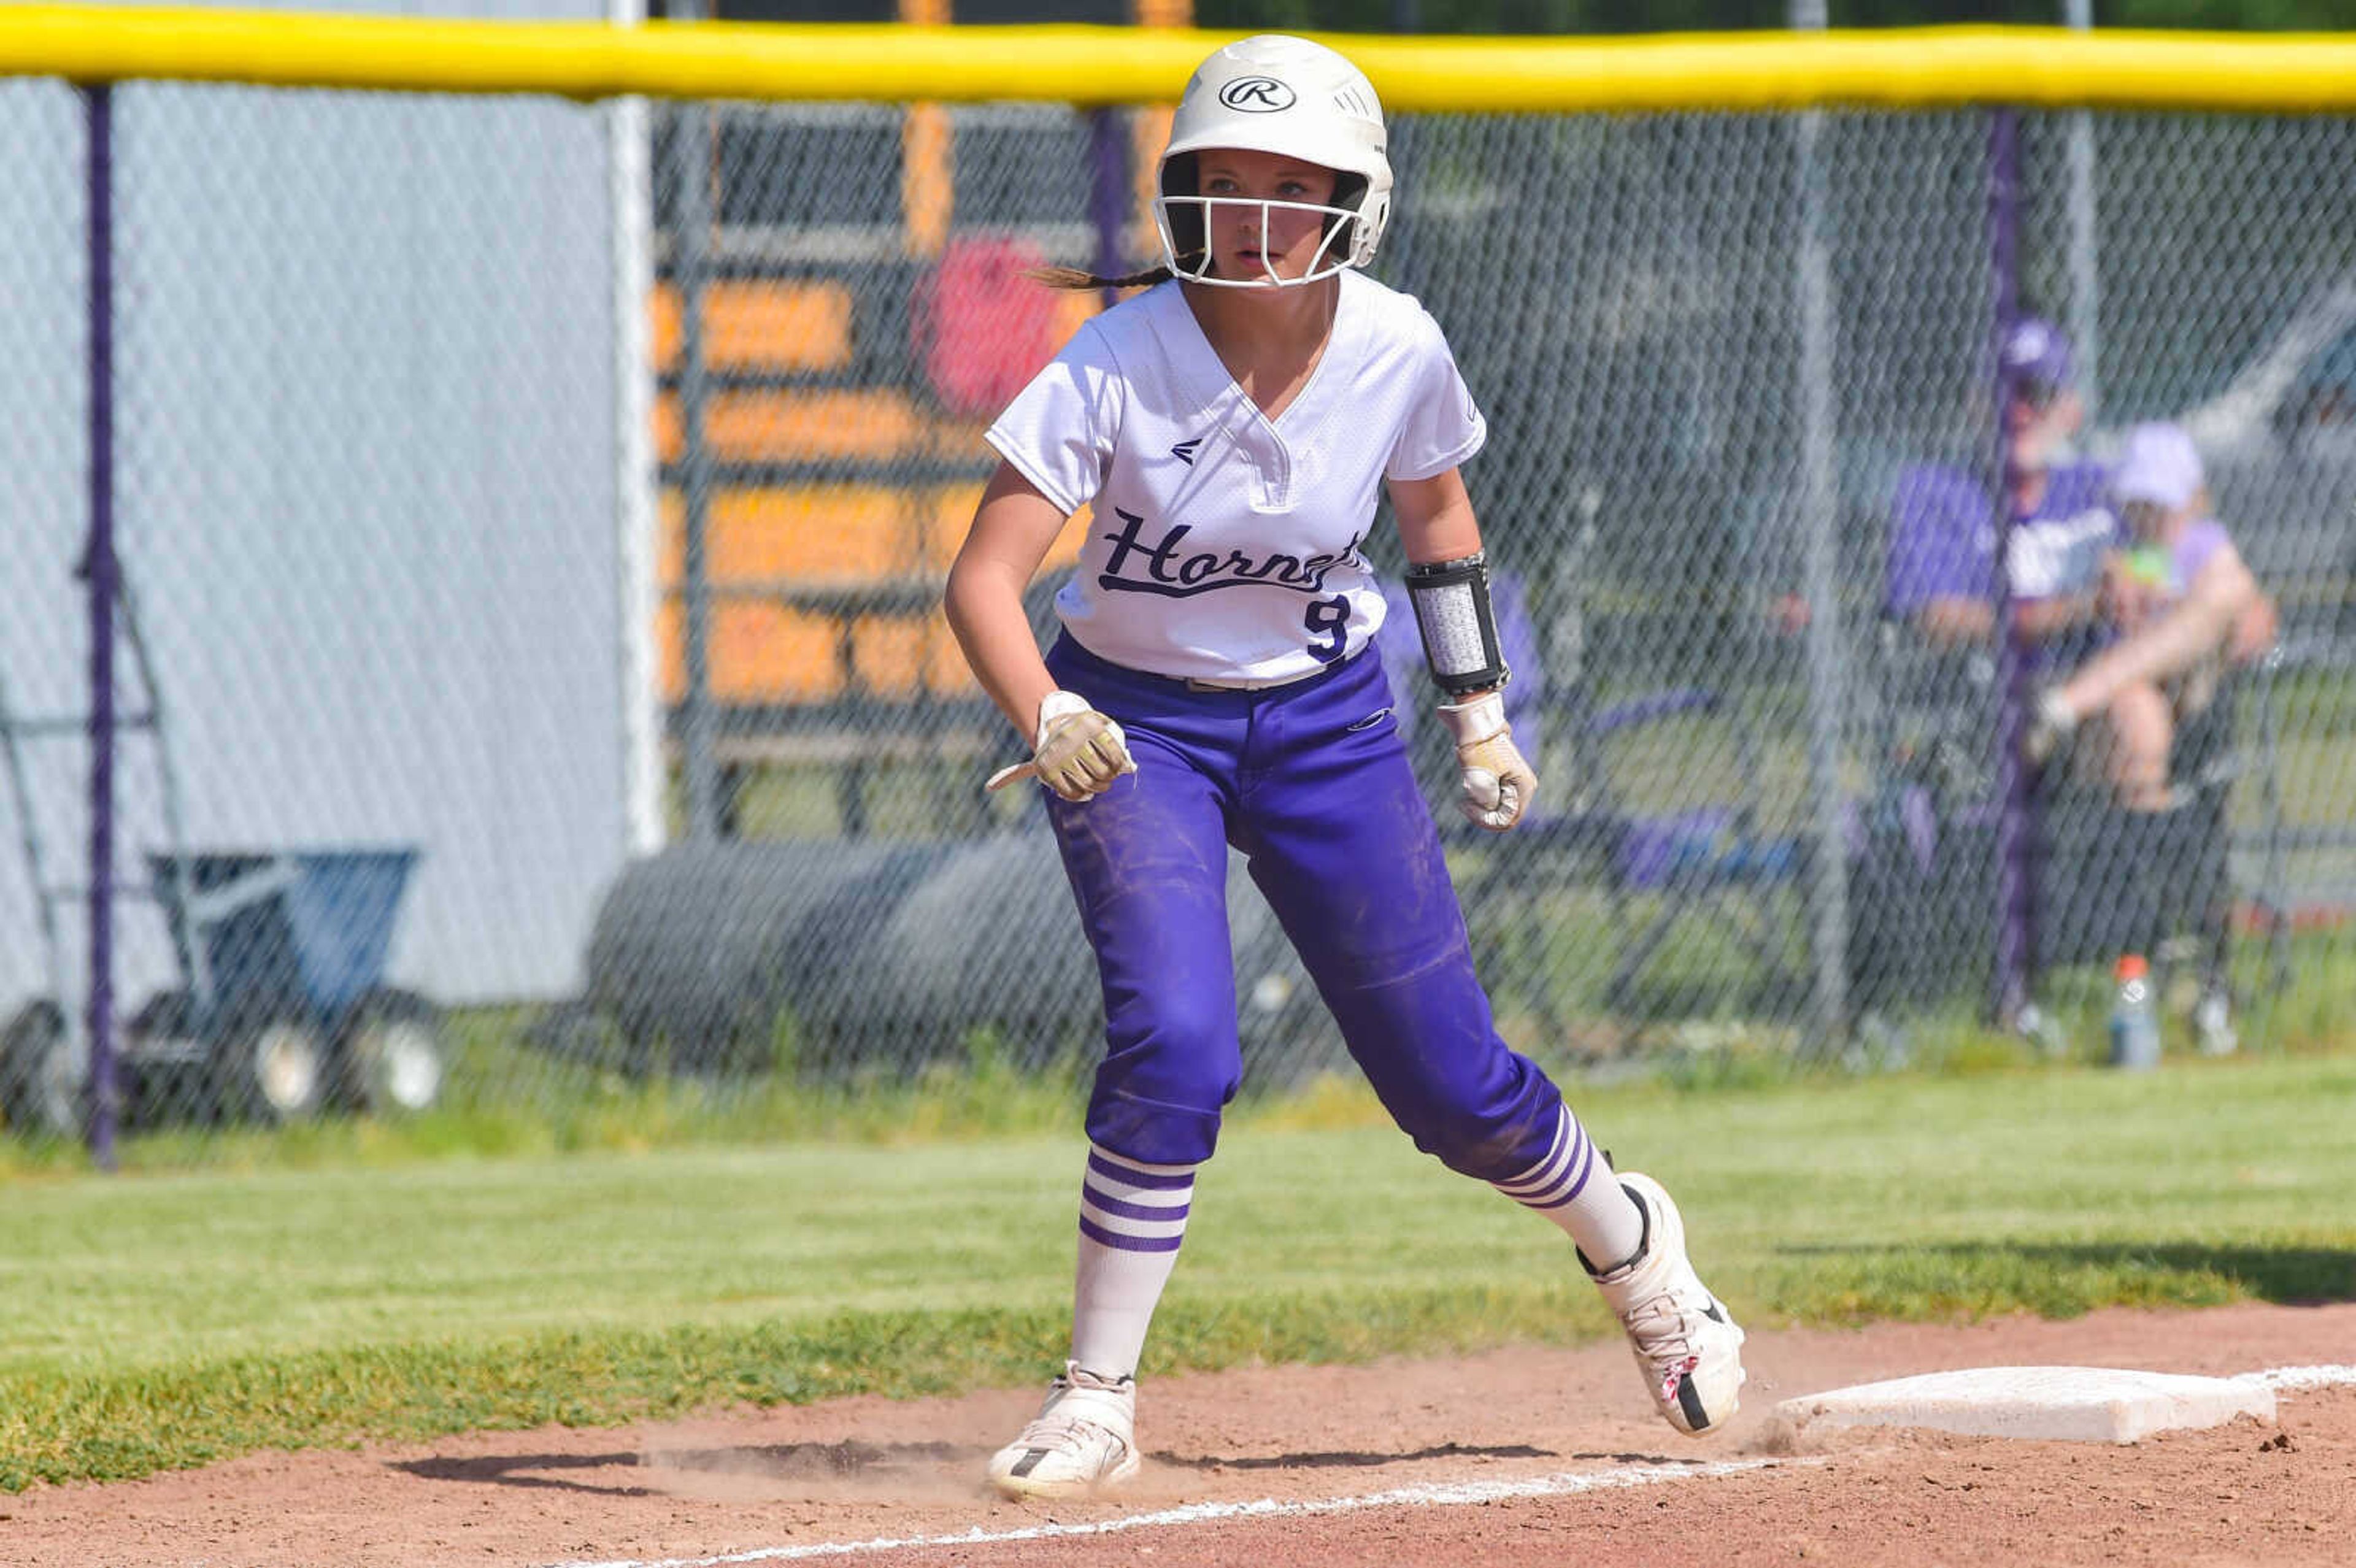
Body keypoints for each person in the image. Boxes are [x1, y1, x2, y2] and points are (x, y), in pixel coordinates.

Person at [941, 34, 1746, 1502]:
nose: (1249, 215)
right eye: (1219, 182)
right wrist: (1045, 712)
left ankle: (1635, 1250)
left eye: (1285, 186)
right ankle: (1095, 1395)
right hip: (1137, 725)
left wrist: (1478, 714)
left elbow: (1436, 528)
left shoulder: (1394, 344)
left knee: (1454, 1094)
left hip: (1325, 719)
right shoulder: (1115, 360)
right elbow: (984, 584)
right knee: (1178, 1042)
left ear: (1352, 206)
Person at [2026, 421, 2276, 809]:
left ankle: (2067, 703)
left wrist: (2168, 600)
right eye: (2139, 504)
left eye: (2162, 504)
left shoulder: (2205, 544)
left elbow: (2243, 615)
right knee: (2135, 710)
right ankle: (2150, 845)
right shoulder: (2122, 550)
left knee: (2223, 593)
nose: (2149, 517)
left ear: (2197, 499)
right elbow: (2117, 589)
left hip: (2193, 679)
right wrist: (2118, 592)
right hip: (2131, 680)